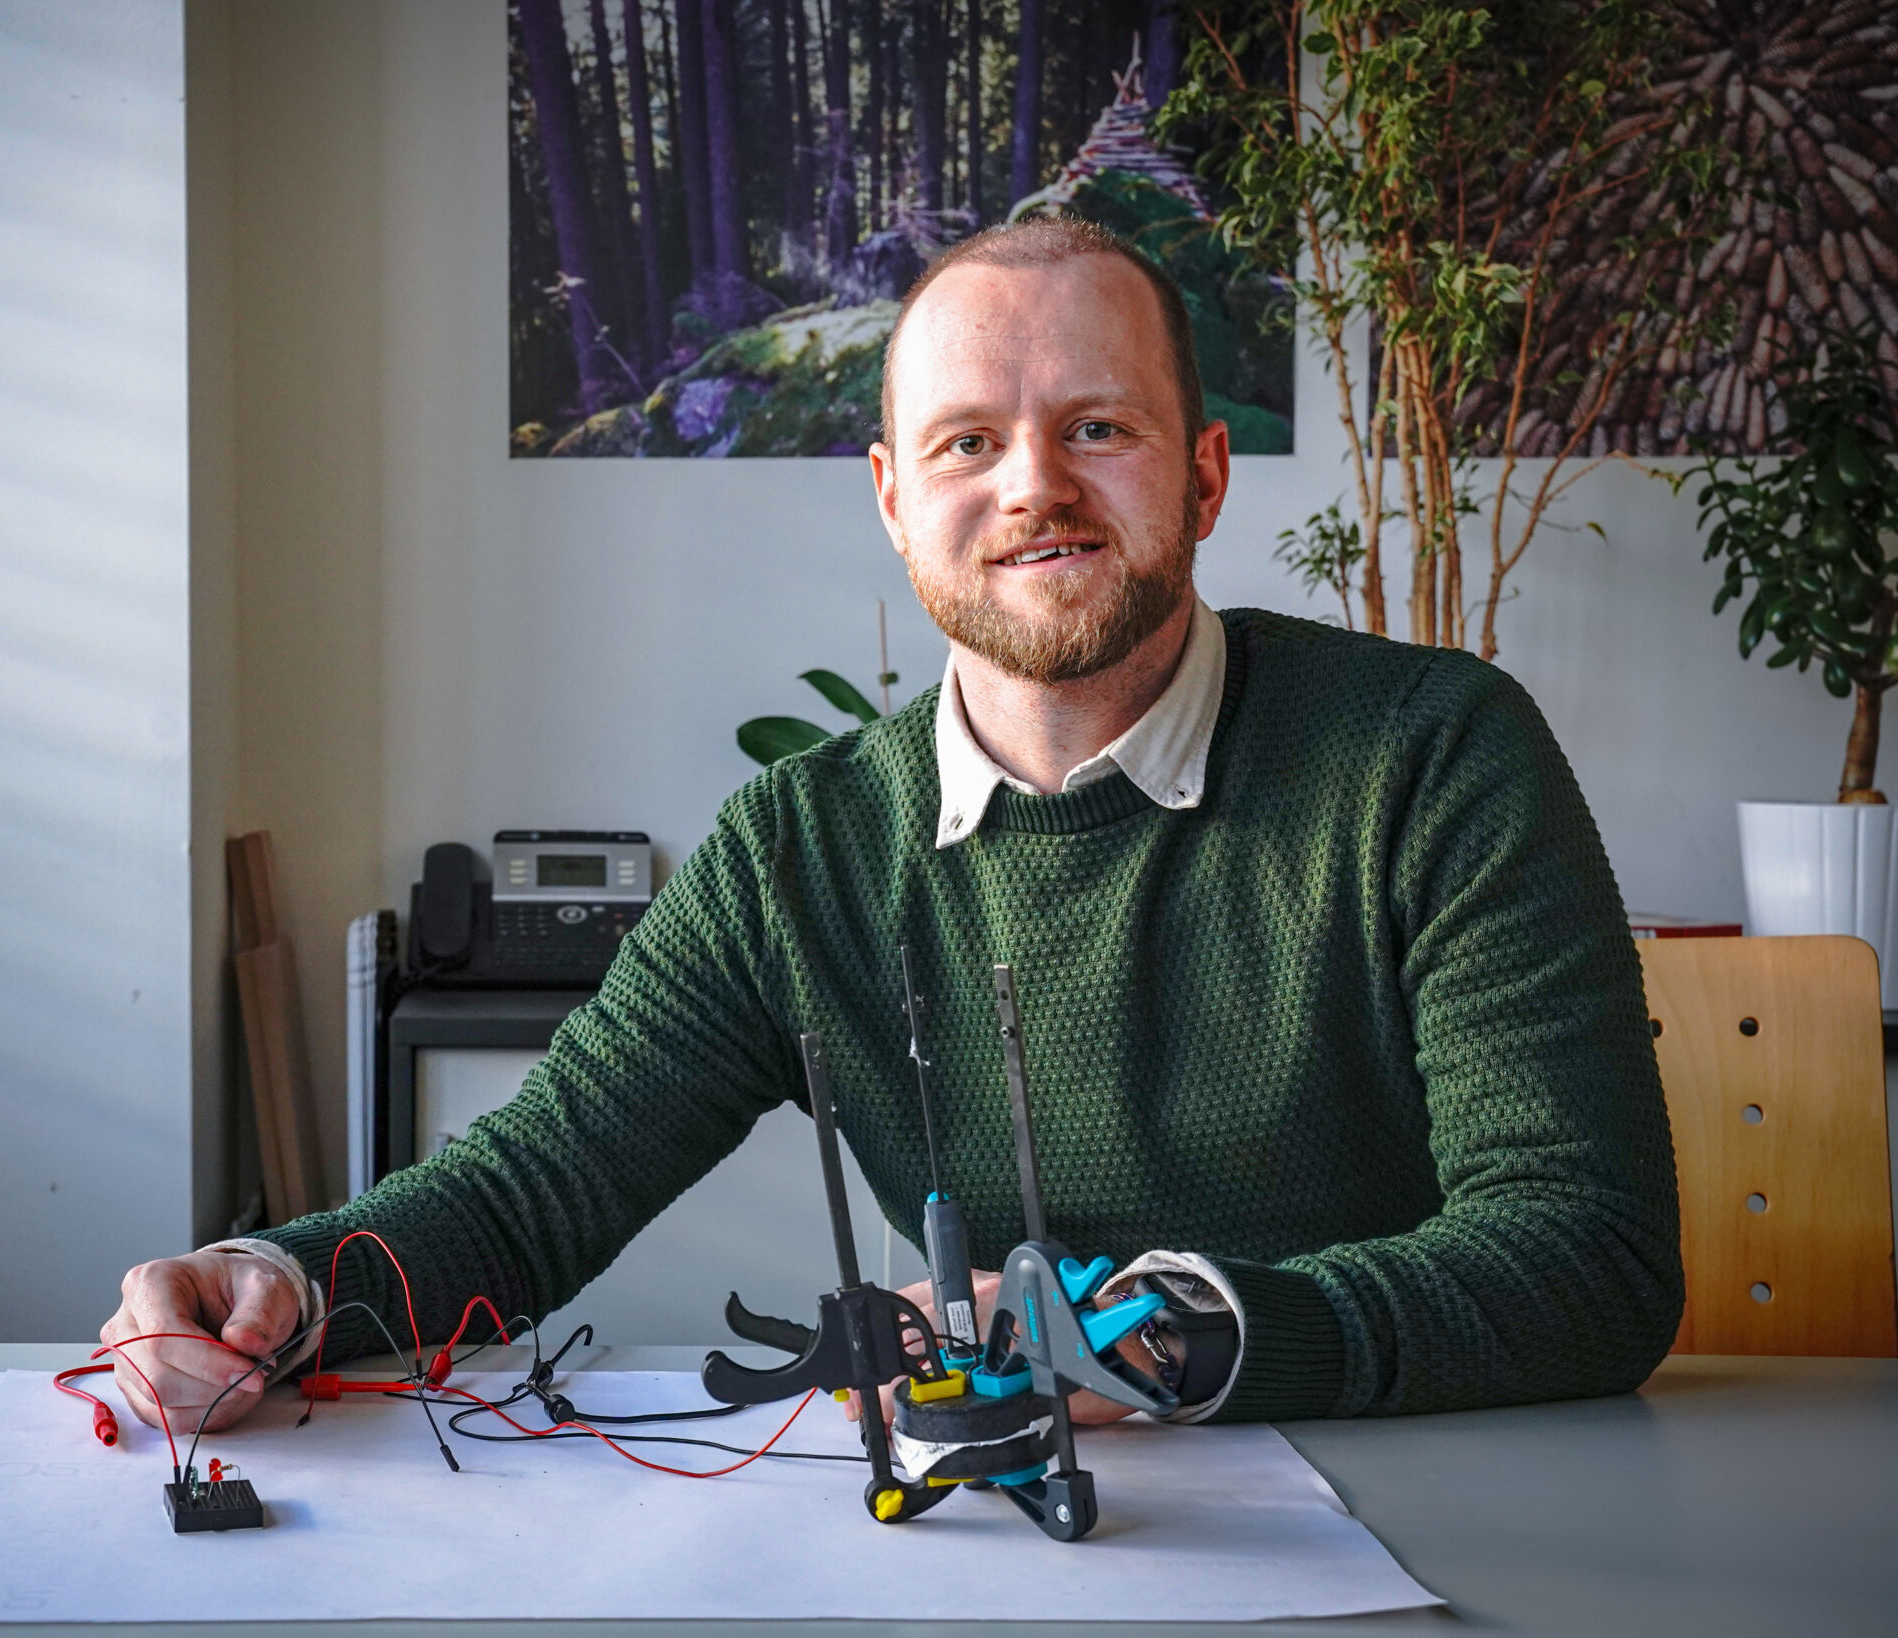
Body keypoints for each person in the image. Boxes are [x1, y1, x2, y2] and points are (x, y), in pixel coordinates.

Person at [102, 214, 1681, 1438]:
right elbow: (533, 1191)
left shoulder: (1433, 755)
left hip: (1431, 1523)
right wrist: (278, 1287)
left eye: (1101, 430)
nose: (1033, 487)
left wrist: (1170, 1335)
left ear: (1206, 477)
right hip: (1017, 1548)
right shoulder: (800, 853)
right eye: (968, 442)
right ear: (888, 496)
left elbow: (1587, 1257)